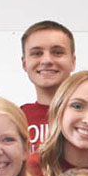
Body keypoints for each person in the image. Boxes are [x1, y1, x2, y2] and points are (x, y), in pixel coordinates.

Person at [19, 20, 77, 153]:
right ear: (24, 63)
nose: (46, 61)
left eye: (57, 52)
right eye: (37, 53)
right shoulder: (15, 118)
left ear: (73, 62)